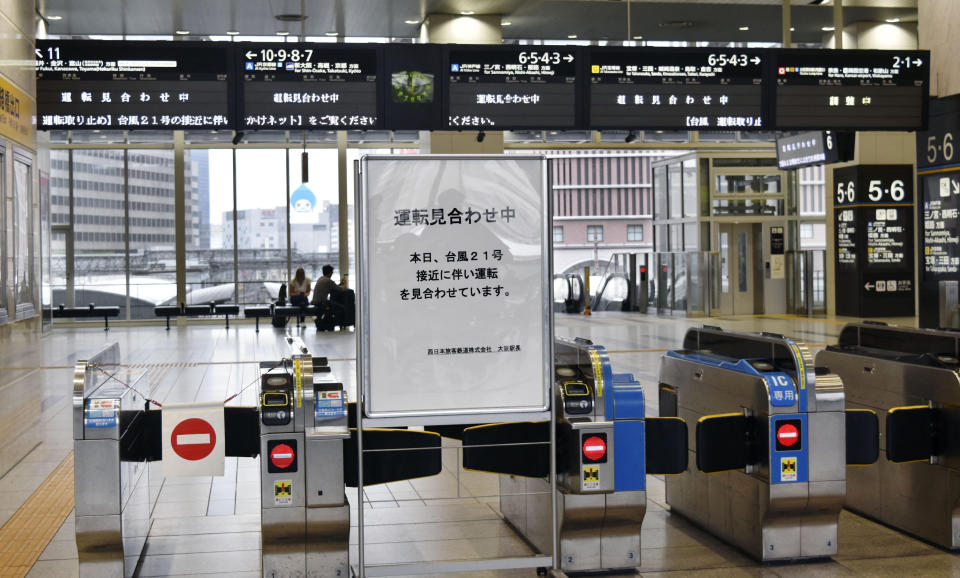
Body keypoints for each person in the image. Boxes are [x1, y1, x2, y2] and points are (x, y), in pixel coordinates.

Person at [312, 265, 345, 330]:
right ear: (330, 273)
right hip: (322, 303)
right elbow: (340, 289)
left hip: (315, 302)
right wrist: (344, 285)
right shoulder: (328, 281)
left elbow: (332, 287)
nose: (332, 274)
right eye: (332, 272)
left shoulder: (321, 278)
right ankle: (329, 323)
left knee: (330, 308)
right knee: (342, 308)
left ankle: (324, 322)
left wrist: (340, 284)